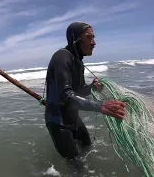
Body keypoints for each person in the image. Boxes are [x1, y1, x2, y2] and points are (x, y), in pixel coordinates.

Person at [44, 21, 126, 160]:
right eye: (89, 37)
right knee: (76, 166)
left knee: (88, 147)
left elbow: (79, 91)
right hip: (58, 121)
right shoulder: (61, 58)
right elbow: (66, 96)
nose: (94, 42)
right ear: (74, 39)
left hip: (73, 117)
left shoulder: (78, 61)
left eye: (94, 37)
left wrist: (92, 88)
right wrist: (101, 106)